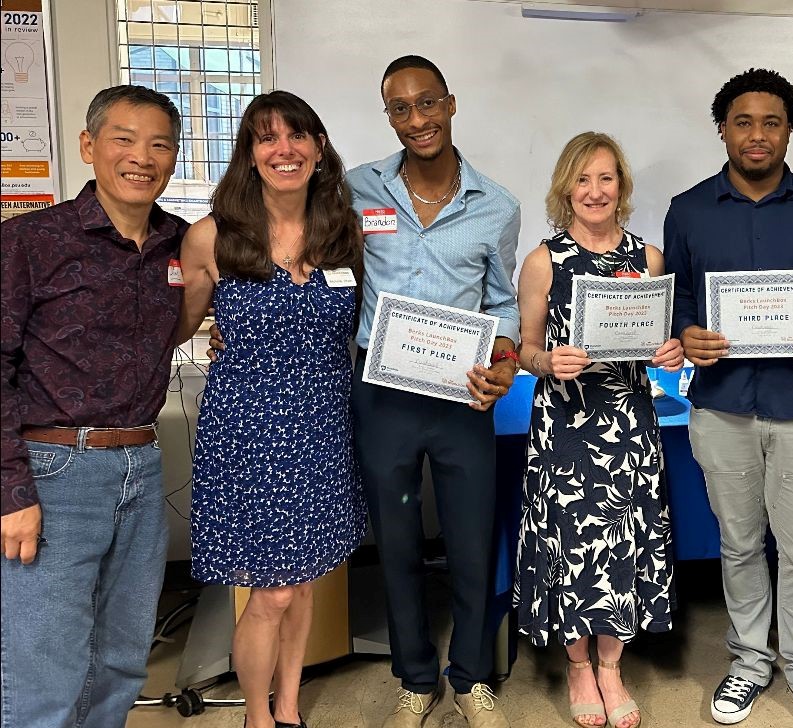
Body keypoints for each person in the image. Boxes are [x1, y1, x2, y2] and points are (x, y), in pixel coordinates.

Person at [664, 68, 793, 728]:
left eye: (771, 122)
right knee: (740, 545)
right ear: (722, 128)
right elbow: (681, 298)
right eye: (742, 121)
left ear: (790, 130)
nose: (756, 134)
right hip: (720, 405)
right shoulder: (687, 210)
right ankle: (750, 661)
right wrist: (685, 331)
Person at [176, 90, 365, 728]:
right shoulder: (212, 237)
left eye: (297, 136)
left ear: (318, 148)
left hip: (322, 426)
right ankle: (259, 717)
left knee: (304, 579)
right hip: (248, 433)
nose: (283, 149)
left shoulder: (345, 233)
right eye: (266, 138)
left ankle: (289, 708)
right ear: (249, 154)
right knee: (271, 591)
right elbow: (176, 327)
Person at [0, 85, 186, 728]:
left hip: (139, 466)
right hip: (52, 471)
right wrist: (11, 492)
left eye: (159, 143)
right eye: (123, 139)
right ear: (89, 146)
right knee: (43, 667)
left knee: (121, 660)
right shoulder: (29, 240)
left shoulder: (179, 247)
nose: (142, 157)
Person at [347, 56, 520, 728]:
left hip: (462, 396)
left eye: (427, 103)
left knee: (470, 541)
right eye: (400, 107)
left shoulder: (497, 205)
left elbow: (503, 305)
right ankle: (416, 679)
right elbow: (321, 263)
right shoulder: (357, 188)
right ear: (388, 115)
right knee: (395, 542)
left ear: (450, 104)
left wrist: (503, 362)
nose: (416, 119)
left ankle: (471, 677)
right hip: (382, 392)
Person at [515, 132, 683, 728]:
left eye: (606, 178)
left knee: (628, 541)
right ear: (565, 188)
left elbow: (660, 339)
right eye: (582, 180)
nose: (594, 191)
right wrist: (545, 362)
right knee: (569, 543)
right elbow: (525, 349)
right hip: (564, 422)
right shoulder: (543, 260)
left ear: (622, 187)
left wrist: (670, 351)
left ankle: (611, 665)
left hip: (630, 420)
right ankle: (578, 665)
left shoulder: (650, 258)